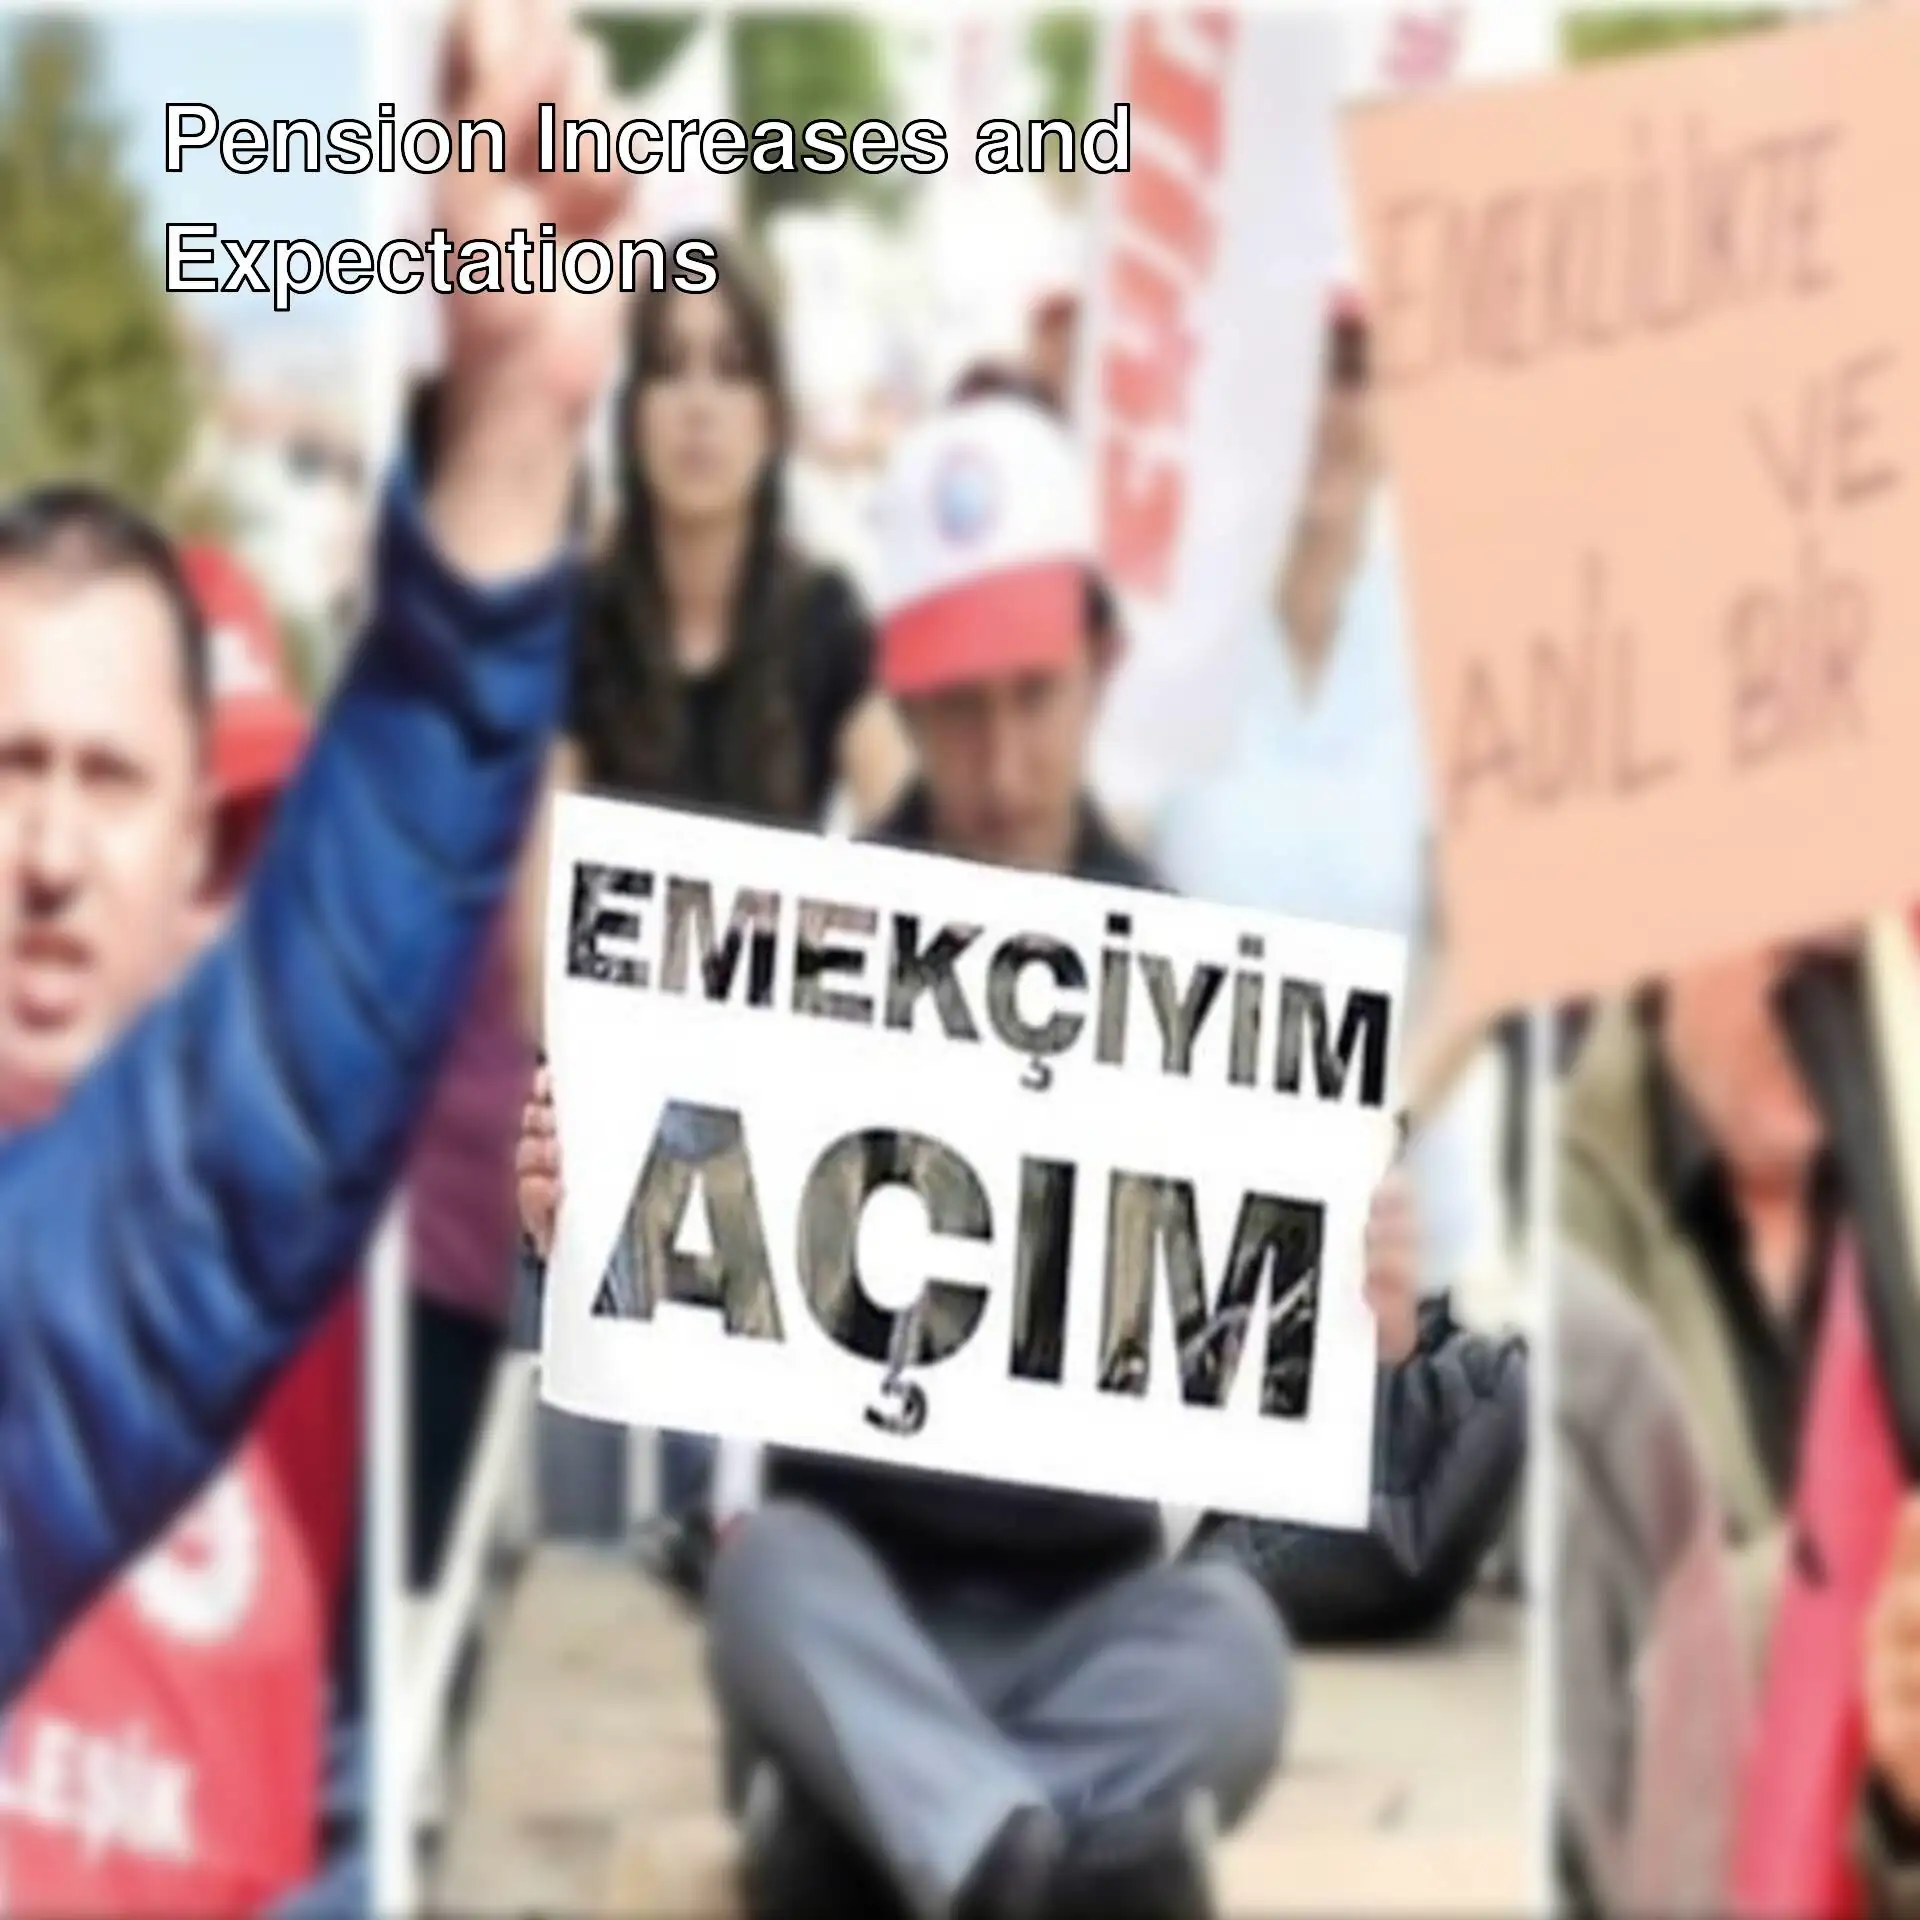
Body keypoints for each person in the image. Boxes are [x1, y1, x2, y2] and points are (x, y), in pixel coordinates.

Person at [516, 391, 1429, 1920]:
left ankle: (956, 1826)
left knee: (1234, 1660)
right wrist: (580, 1211)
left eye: (1034, 696)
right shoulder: (800, 946)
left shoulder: (1208, 990)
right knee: (763, 1581)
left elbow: (1264, 1433)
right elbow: (666, 1274)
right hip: (854, 1601)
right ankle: (1012, 1838)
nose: (998, 755)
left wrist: (1364, 1350)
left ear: (1100, 670)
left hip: (1091, 1618)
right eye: (956, 709)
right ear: (905, 704)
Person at [0, 0, 624, 1714]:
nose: (50, 852)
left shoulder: (194, 1276)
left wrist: (504, 454)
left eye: (108, 781)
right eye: (9, 770)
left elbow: (250, 1131)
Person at [513, 237, 910, 1596]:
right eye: (670, 371)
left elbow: (923, 861)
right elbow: (533, 913)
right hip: (584, 1129)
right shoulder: (571, 618)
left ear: (775, 415)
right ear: (630, 413)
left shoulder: (822, 623)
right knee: (579, 1564)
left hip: (757, 1157)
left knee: (728, 1563)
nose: (698, 405)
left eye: (731, 373)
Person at [1155, 291, 1523, 1641]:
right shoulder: (1168, 637)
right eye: (1294, 373)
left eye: (1357, 373)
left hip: (1388, 1286)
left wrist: (1382, 1116)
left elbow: (1491, 941)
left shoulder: (1444, 627)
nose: (1325, 406)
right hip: (1182, 1295)